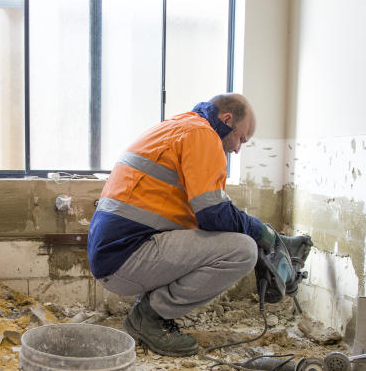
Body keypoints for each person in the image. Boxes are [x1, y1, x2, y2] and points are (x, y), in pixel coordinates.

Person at [87, 93, 311, 356]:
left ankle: (148, 310)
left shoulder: (178, 126)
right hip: (125, 257)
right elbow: (213, 215)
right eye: (240, 138)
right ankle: (149, 318)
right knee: (243, 250)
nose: (238, 149)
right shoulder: (203, 135)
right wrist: (261, 232)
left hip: (114, 254)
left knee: (227, 237)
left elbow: (204, 215)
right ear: (227, 119)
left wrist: (260, 231)